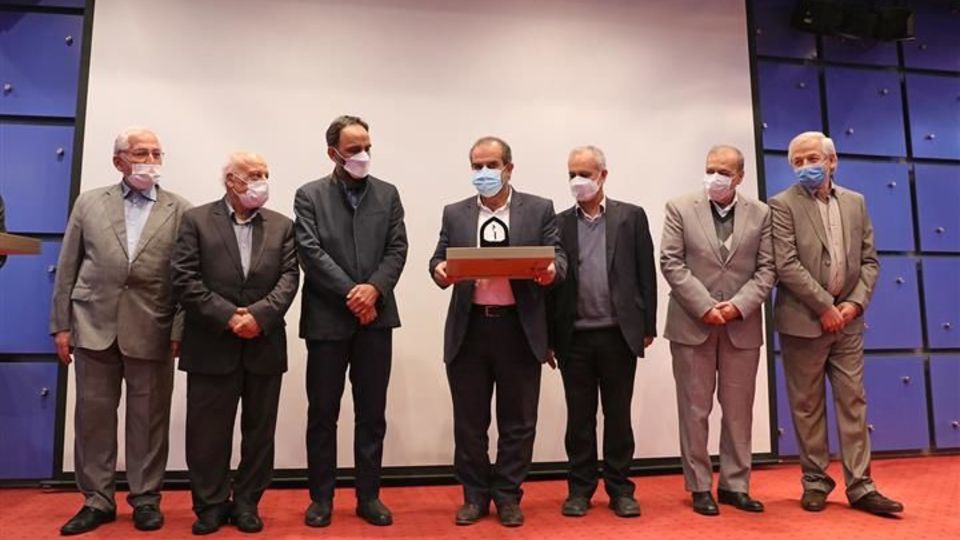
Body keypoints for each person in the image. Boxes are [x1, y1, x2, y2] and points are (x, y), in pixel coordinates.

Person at [50, 127, 191, 535]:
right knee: (93, 418)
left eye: (156, 153)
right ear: (119, 161)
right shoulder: (89, 202)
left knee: (149, 420)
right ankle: (97, 499)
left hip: (154, 327)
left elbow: (186, 276)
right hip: (92, 324)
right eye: (141, 153)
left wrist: (179, 328)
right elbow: (68, 265)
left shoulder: (181, 209)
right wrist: (61, 325)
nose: (150, 160)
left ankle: (145, 499)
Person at [429, 136, 566, 527]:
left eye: (491, 165)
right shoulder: (455, 213)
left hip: (518, 328)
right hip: (470, 328)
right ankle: (474, 496)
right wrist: (439, 270)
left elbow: (558, 257)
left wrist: (551, 270)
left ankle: (507, 495)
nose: (484, 173)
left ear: (509, 168)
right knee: (470, 422)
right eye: (477, 166)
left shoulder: (538, 209)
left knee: (518, 422)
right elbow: (438, 258)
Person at [771, 131, 903, 515]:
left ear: (832, 161)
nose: (805, 167)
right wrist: (825, 306)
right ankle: (815, 482)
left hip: (848, 323)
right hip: (803, 322)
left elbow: (869, 261)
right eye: (797, 162)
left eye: (812, 158)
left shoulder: (856, 202)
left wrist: (854, 305)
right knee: (807, 406)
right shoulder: (781, 205)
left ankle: (861, 486)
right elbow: (786, 264)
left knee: (853, 402)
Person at [172, 152, 299, 535]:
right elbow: (184, 277)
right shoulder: (196, 220)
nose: (262, 181)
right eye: (254, 174)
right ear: (231, 180)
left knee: (259, 433)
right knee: (207, 434)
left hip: (264, 343)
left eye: (265, 174)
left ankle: (247, 504)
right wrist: (228, 316)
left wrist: (258, 316)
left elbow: (289, 278)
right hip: (211, 343)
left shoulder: (282, 226)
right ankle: (210, 505)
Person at [295, 115, 408, 528]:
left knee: (372, 413)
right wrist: (353, 294)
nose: (363, 155)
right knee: (323, 413)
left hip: (376, 320)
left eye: (367, 147)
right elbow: (310, 252)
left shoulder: (387, 194)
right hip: (327, 321)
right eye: (354, 149)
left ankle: (369, 496)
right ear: (333, 153)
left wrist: (373, 290)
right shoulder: (309, 195)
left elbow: (397, 249)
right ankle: (321, 498)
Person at [660, 145, 776, 515]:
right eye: (710, 169)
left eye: (724, 172)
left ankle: (734, 485)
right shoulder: (680, 207)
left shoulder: (761, 213)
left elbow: (767, 269)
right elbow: (671, 262)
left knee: (739, 412)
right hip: (692, 323)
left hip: (741, 325)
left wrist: (738, 306)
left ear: (740, 177)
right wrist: (705, 306)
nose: (715, 177)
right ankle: (699, 487)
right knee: (694, 410)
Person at [547, 145, 657, 518]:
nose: (578, 181)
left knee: (617, 415)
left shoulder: (630, 217)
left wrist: (647, 325)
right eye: (572, 174)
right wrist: (548, 339)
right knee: (579, 418)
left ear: (603, 175)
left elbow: (645, 273)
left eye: (585, 174)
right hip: (573, 336)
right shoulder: (558, 223)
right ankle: (579, 489)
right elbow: (549, 288)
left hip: (618, 334)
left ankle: (620, 488)